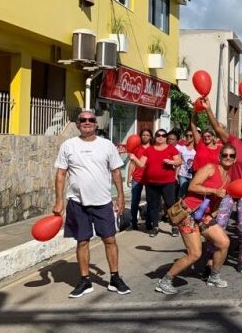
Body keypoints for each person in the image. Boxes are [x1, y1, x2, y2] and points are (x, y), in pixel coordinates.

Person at [52, 110, 131, 298]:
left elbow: (116, 172)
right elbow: (61, 174)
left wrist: (120, 197)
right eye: (83, 120)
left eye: (91, 120)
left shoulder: (107, 145)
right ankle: (85, 280)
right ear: (77, 124)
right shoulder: (68, 145)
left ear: (96, 124)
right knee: (82, 241)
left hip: (103, 202)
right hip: (77, 203)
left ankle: (115, 278)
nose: (87, 122)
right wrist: (59, 201)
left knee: (110, 240)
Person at [154, 145, 235, 294]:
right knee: (195, 254)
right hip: (188, 213)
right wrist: (214, 191)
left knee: (224, 242)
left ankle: (214, 276)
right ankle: (164, 281)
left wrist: (213, 213)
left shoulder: (227, 179)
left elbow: (217, 200)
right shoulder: (210, 168)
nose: (228, 158)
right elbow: (192, 186)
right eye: (225, 155)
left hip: (203, 215)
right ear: (219, 157)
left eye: (231, 156)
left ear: (235, 159)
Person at [203, 100, 242, 273]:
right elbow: (217, 127)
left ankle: (241, 258)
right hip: (228, 190)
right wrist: (208, 109)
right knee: (219, 224)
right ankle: (210, 259)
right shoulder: (234, 142)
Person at [142, 129, 183, 237]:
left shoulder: (171, 149)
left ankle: (174, 226)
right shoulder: (149, 149)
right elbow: (141, 164)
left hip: (168, 182)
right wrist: (133, 158)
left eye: (163, 135)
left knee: (170, 204)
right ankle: (155, 227)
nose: (161, 137)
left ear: (166, 138)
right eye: (158, 135)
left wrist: (171, 162)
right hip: (151, 183)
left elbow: (179, 161)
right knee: (154, 205)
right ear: (155, 137)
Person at [126, 129, 152, 230]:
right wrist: (129, 177)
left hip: (149, 178)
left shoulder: (153, 149)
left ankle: (149, 223)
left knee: (150, 201)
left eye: (147, 135)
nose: (145, 136)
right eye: (143, 135)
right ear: (140, 136)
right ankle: (133, 223)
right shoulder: (137, 149)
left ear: (150, 137)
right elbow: (132, 164)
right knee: (134, 201)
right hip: (137, 178)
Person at [175, 129, 197, 198]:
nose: (188, 137)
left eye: (191, 136)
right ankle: (179, 204)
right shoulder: (181, 148)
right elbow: (179, 162)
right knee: (183, 192)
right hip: (182, 174)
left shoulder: (197, 149)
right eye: (187, 135)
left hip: (193, 175)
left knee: (190, 193)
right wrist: (176, 175)